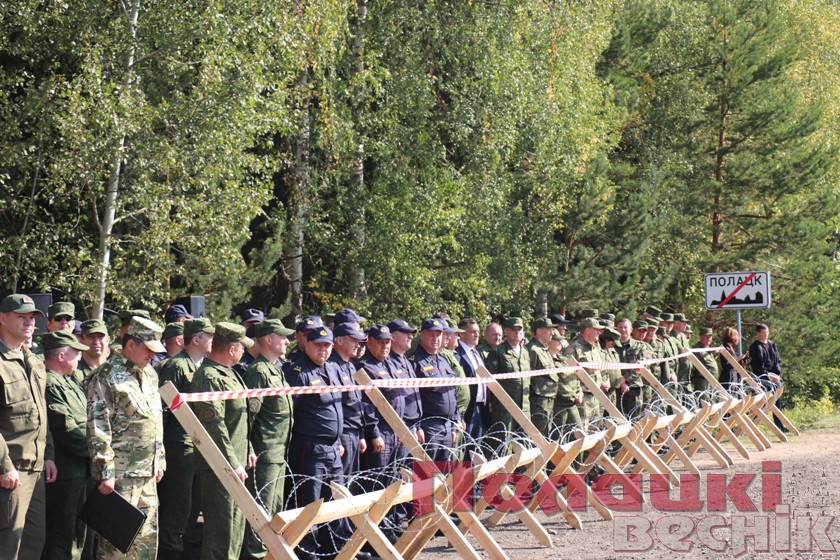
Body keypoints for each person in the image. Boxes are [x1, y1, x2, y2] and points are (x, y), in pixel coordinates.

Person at [86, 316, 166, 560]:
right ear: (131, 344)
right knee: (116, 548)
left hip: (147, 474)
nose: (153, 355)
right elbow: (98, 427)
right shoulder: (106, 376)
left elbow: (155, 418)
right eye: (149, 349)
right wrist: (105, 472)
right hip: (120, 477)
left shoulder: (149, 374)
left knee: (145, 546)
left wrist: (160, 459)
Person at [190, 323, 256, 560]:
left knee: (235, 529)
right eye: (242, 347)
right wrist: (231, 462)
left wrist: (248, 449)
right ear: (231, 349)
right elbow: (214, 426)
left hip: (236, 462)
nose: (244, 351)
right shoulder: (209, 377)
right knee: (222, 532)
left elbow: (238, 419)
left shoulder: (231, 373)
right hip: (220, 467)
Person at [284, 327, 349, 559]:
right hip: (310, 448)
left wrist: (338, 439)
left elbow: (337, 407)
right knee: (309, 503)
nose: (323, 349)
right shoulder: (297, 372)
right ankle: (307, 551)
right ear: (308, 345)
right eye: (318, 345)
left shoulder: (332, 369)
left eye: (327, 345)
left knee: (335, 500)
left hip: (333, 448)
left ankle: (332, 548)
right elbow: (290, 413)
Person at [0, 294, 56, 559]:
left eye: (32, 317)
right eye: (21, 317)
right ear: (2, 318)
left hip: (36, 468)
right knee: (8, 544)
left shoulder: (33, 360)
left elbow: (41, 413)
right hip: (11, 470)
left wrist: (49, 455)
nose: (29, 323)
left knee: (33, 542)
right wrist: (4, 466)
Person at [156, 318, 214, 560]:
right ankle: (170, 550)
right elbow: (162, 410)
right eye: (209, 335)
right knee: (178, 504)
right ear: (196, 339)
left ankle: (185, 547)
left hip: (196, 443)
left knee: (192, 503)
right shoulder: (177, 366)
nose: (213, 340)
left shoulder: (201, 365)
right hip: (178, 444)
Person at [241, 320, 295, 560]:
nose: (287, 341)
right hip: (264, 454)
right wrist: (249, 448)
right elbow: (249, 417)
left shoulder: (275, 369)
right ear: (267, 340)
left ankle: (269, 554)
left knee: (275, 512)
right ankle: (255, 555)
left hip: (279, 452)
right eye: (282, 337)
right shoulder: (259, 372)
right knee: (261, 514)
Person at [41, 331, 91, 560]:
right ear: (61, 356)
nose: (79, 358)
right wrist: (97, 451)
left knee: (76, 535)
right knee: (61, 536)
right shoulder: (51, 384)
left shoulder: (69, 382)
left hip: (79, 471)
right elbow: (66, 430)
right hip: (65, 473)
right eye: (75, 353)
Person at [412, 319, 461, 462]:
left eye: (438, 335)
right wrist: (418, 427)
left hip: (447, 426)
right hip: (429, 427)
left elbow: (451, 393)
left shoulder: (443, 360)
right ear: (421, 335)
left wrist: (454, 421)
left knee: (443, 471)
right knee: (425, 471)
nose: (435, 338)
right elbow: (413, 399)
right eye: (431, 335)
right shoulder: (415, 361)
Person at [486, 317, 531, 440]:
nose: (517, 332)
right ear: (506, 331)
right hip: (505, 408)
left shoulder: (525, 352)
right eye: (513, 329)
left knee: (524, 442)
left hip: (524, 406)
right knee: (503, 442)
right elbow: (488, 380)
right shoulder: (497, 352)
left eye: (519, 329)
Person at [564, 317, 608, 429]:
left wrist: (603, 382)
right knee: (583, 431)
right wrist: (577, 392)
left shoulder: (594, 348)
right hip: (583, 398)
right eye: (596, 329)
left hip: (596, 396)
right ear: (587, 330)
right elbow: (567, 374)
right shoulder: (573, 348)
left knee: (596, 430)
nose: (599, 332)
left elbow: (600, 369)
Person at [455, 318, 489, 451]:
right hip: (467, 407)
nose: (477, 335)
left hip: (481, 406)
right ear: (462, 334)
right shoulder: (457, 354)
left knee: (476, 446)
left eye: (478, 332)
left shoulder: (476, 352)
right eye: (473, 332)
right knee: (463, 447)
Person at [748, 324, 785, 430]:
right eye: (763, 332)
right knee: (762, 401)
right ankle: (751, 424)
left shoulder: (772, 345)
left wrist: (777, 374)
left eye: (767, 332)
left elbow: (777, 360)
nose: (766, 334)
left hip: (774, 377)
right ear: (758, 333)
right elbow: (756, 365)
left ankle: (779, 425)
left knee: (777, 398)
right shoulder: (755, 347)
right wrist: (767, 375)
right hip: (762, 377)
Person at [527, 318, 558, 438]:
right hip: (539, 401)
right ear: (539, 331)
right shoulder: (532, 350)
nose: (552, 333)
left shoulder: (544, 349)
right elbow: (528, 377)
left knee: (546, 434)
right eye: (549, 329)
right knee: (539, 436)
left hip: (549, 398)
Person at [76, 319, 110, 386]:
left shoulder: (115, 370)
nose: (96, 342)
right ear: (81, 341)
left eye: (100, 336)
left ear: (108, 340)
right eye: (90, 337)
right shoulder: (75, 373)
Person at [718, 327, 747, 394]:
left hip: (733, 377)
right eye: (737, 336)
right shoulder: (726, 349)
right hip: (728, 377)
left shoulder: (730, 348)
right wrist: (738, 359)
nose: (738, 338)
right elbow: (726, 365)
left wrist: (743, 362)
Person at [691, 327, 718, 393]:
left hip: (711, 382)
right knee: (703, 399)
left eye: (710, 336)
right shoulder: (697, 349)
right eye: (706, 336)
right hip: (702, 382)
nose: (708, 338)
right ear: (701, 337)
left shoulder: (708, 349)